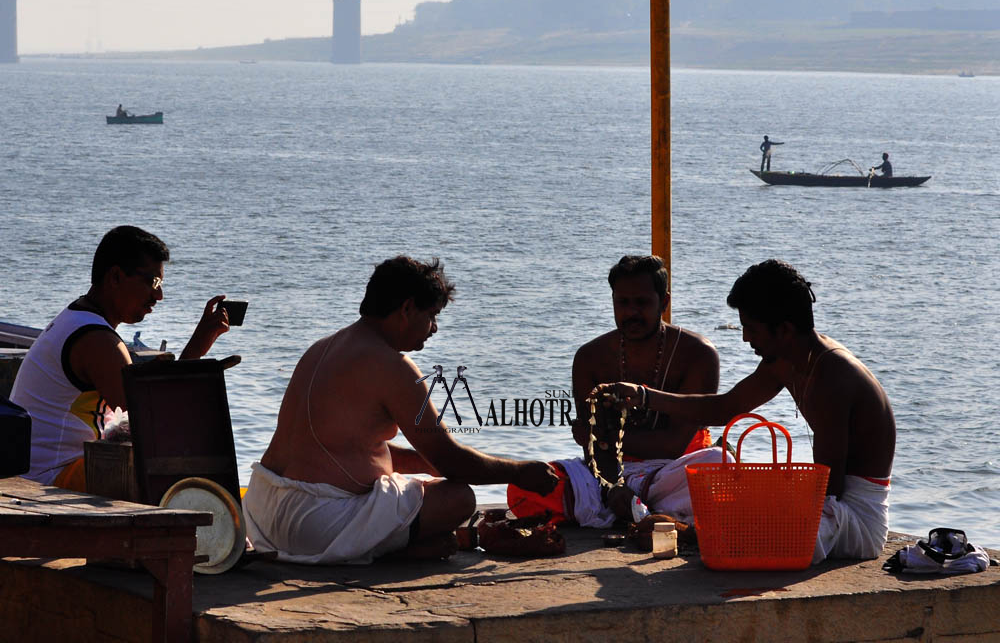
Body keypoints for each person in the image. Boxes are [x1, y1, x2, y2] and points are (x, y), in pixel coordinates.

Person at [242, 256, 559, 564]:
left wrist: (429, 465)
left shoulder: (322, 347)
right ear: (407, 309)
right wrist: (519, 472)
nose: (434, 328)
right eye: (432, 315)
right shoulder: (393, 366)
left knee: (423, 475)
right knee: (460, 498)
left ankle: (393, 545)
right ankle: (390, 550)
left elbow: (349, 443)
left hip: (262, 514)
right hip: (312, 525)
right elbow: (451, 459)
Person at [594, 259, 896, 563]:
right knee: (733, 497)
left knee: (755, 530)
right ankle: (702, 532)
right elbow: (725, 408)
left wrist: (756, 510)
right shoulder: (786, 360)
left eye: (751, 329)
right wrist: (645, 397)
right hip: (830, 503)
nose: (745, 338)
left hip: (856, 519)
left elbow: (830, 489)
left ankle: (688, 534)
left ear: (785, 330)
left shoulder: (833, 377)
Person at [507, 254, 723, 527]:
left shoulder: (698, 354)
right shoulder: (590, 356)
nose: (631, 312)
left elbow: (673, 445)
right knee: (523, 489)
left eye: (642, 303)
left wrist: (601, 437)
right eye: (623, 302)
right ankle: (648, 512)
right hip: (607, 474)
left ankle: (639, 511)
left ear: (664, 302)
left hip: (674, 473)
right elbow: (592, 449)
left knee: (717, 463)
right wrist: (612, 486)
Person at [10, 225, 230, 492]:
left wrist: (195, 349)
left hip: (42, 471)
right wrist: (194, 353)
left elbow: (149, 414)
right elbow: (154, 424)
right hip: (49, 479)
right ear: (115, 277)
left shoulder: (78, 319)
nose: (159, 295)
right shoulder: (98, 341)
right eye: (153, 282)